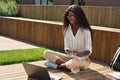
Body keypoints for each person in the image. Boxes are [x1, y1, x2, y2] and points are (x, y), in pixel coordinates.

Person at [44, 4, 92, 74]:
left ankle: (58, 66)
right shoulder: (66, 30)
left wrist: (79, 54)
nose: (70, 18)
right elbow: (66, 48)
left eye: (72, 16)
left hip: (83, 60)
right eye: (68, 16)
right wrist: (70, 52)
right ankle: (69, 66)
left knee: (74, 62)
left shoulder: (86, 31)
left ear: (78, 16)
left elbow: (88, 50)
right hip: (70, 58)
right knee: (46, 53)